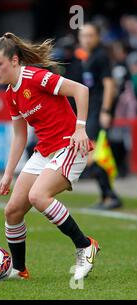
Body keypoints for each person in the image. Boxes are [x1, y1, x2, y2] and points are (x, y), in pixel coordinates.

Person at [0, 32, 99, 281]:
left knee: (38, 196)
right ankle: (19, 270)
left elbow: (81, 90)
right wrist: (8, 174)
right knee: (13, 211)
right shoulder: (10, 94)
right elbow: (19, 136)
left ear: (14, 61)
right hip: (45, 151)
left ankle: (85, 245)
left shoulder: (35, 77)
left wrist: (80, 127)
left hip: (70, 146)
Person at [78, 23, 122, 210]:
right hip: (92, 112)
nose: (87, 39)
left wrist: (106, 111)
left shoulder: (101, 56)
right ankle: (106, 196)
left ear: (97, 37)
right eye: (83, 36)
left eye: (90, 35)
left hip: (98, 112)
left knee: (93, 154)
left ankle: (111, 196)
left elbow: (109, 84)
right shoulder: (88, 58)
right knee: (92, 153)